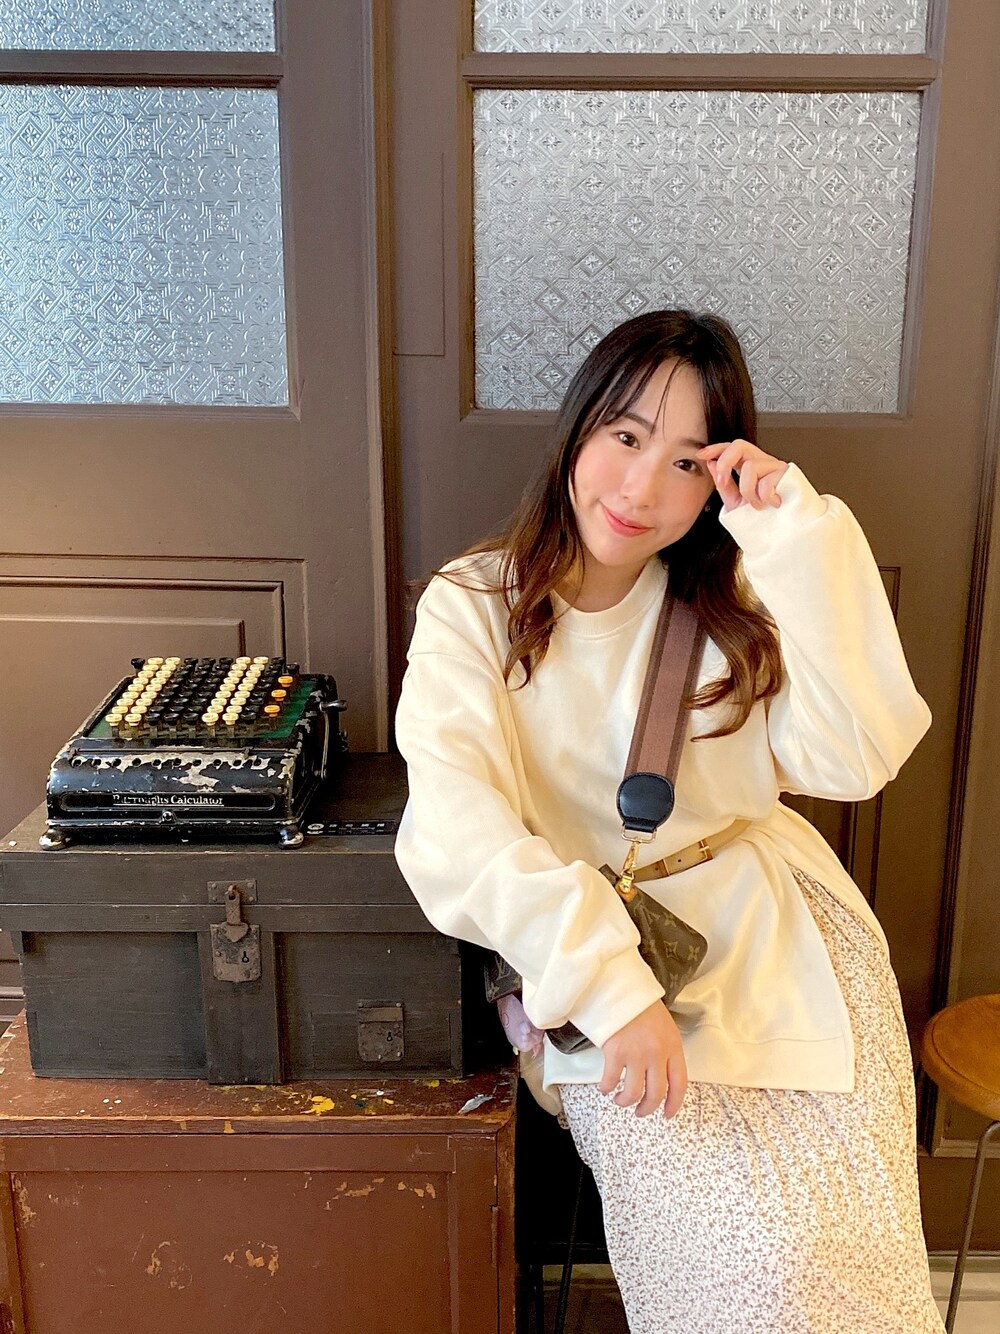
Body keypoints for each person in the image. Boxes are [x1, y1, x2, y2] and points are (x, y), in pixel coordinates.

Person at [393, 309, 945, 1332]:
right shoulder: (474, 605)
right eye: (626, 435)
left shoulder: (733, 593)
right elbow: (458, 831)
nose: (642, 487)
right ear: (579, 429)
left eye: (688, 461)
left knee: (846, 1274)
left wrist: (795, 536)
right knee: (745, 1280)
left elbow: (856, 758)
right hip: (604, 960)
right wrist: (611, 988)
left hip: (787, 944)